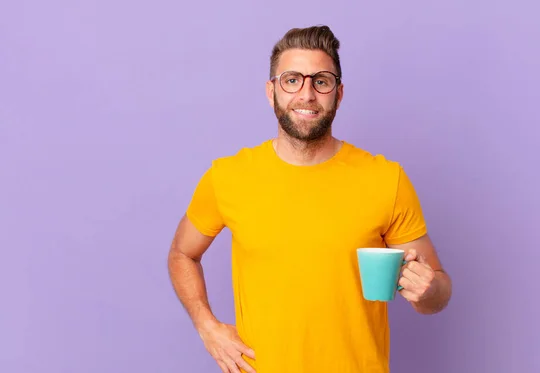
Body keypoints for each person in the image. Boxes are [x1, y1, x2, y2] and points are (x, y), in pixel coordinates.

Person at [167, 25, 452, 373]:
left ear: (339, 93)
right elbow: (183, 253)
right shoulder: (228, 176)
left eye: (321, 81)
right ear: (271, 91)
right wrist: (206, 325)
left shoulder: (385, 179)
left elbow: (436, 292)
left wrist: (429, 290)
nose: (307, 94)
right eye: (292, 80)